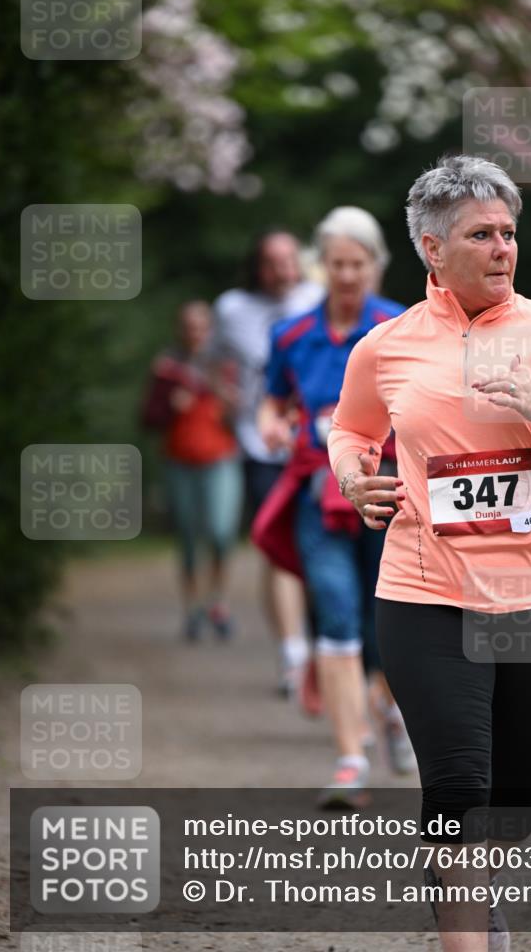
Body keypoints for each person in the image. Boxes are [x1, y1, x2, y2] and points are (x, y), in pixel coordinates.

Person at [328, 156, 531, 951]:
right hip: (423, 593)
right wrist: (353, 478)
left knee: (514, 801)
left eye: (508, 233)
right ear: (431, 248)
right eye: (480, 235)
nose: (502, 248)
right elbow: (350, 428)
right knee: (459, 786)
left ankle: (474, 890)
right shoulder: (386, 346)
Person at [253, 206, 414, 806]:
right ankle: (351, 759)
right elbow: (272, 400)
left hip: (388, 489)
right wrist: (271, 424)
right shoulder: (290, 334)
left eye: (358, 264)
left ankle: (391, 710)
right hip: (318, 492)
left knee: (387, 619)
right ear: (320, 267)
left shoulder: (402, 327)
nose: (347, 275)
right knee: (337, 611)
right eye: (337, 264)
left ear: (376, 266)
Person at [214, 232, 324, 695]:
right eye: (272, 262)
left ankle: (323, 643)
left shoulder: (318, 297)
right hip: (259, 444)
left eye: (288, 260)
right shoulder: (232, 308)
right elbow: (211, 360)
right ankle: (292, 653)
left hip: (316, 443)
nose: (282, 270)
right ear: (257, 267)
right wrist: (227, 398)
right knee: (280, 544)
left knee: (317, 543)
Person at [142, 301, 243, 641]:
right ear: (179, 330)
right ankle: (192, 608)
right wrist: (171, 406)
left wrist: (227, 402)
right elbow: (148, 418)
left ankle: (218, 601)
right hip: (179, 462)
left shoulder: (224, 367)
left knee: (221, 532)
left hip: (220, 459)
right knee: (187, 537)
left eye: (201, 327)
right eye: (189, 327)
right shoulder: (167, 368)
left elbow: (245, 418)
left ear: (210, 330)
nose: (195, 334)